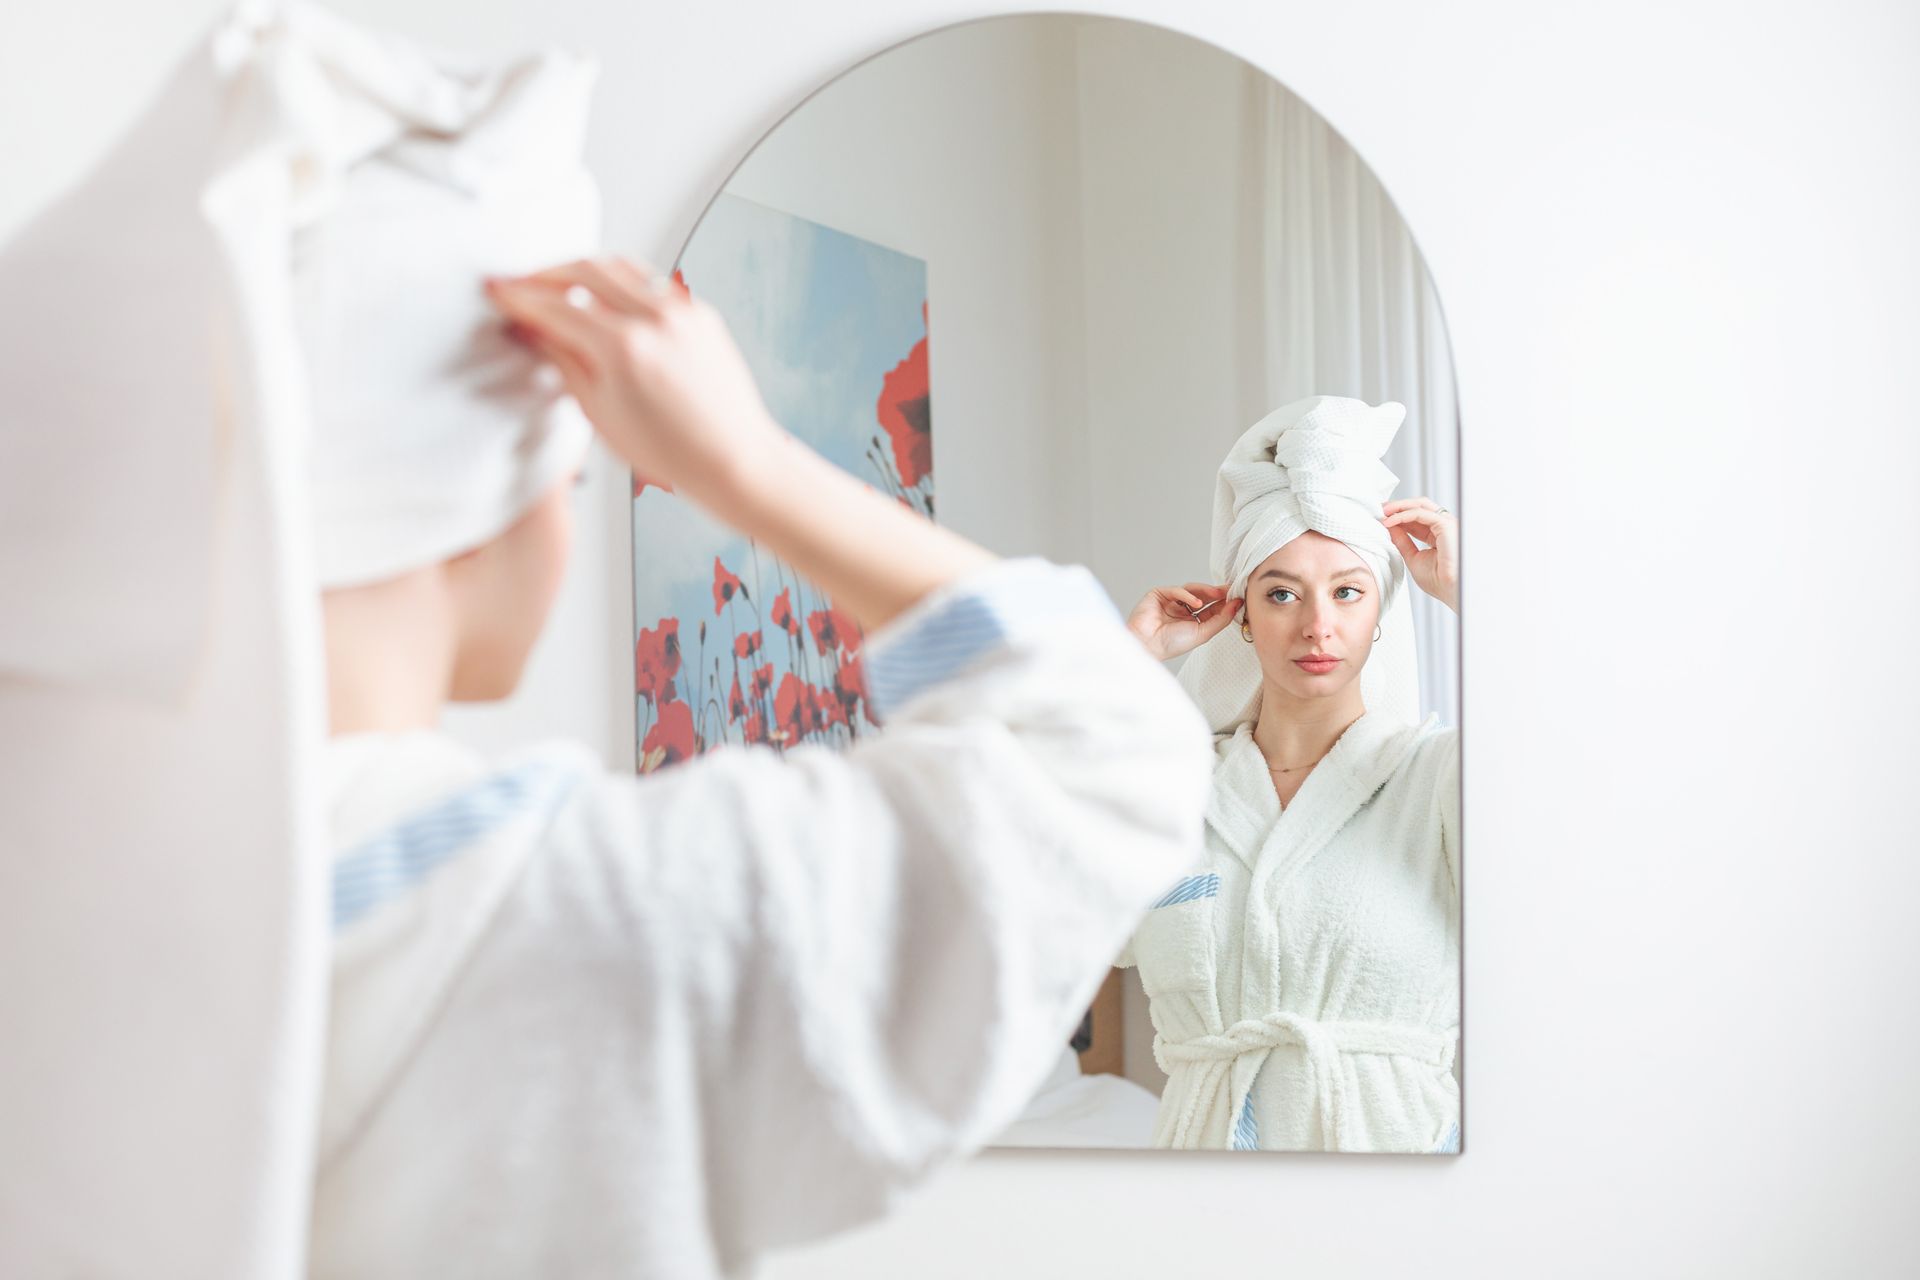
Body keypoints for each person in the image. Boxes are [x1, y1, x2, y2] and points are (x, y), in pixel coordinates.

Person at [0, 7, 1214, 1276]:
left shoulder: (52, 896)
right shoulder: (589, 912)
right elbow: (1110, 753)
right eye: (578, 482)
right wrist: (743, 466)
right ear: (480, 512)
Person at [1117, 396, 1462, 1153]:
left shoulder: (1437, 782)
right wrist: (1122, 664)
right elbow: (1032, 875)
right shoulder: (1172, 791)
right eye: (1281, 594)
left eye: (1347, 591)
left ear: (1381, 610)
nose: (1317, 626)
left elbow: (1575, 784)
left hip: (1397, 1192)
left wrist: (1478, 597)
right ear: (1241, 616)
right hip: (1201, 1207)